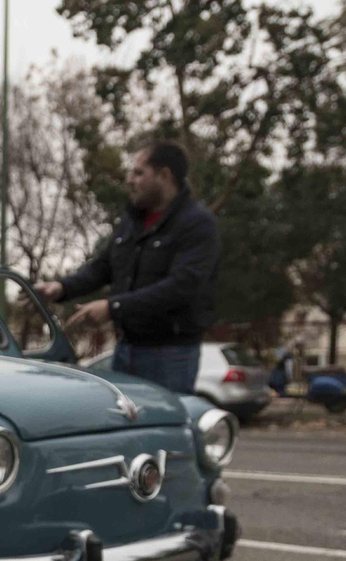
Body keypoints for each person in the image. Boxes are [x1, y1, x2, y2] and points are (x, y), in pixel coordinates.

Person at [34, 140, 219, 394]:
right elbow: (102, 268)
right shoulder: (132, 223)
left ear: (164, 175)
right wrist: (61, 288)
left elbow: (182, 286)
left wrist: (113, 308)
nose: (130, 180)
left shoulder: (197, 224)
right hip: (125, 349)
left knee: (162, 429)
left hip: (171, 355)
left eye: (138, 172)